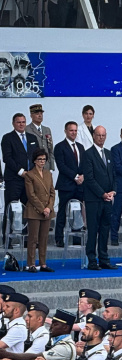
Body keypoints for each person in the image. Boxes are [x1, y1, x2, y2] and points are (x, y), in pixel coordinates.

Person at [82, 126, 117, 270]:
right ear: (93, 136)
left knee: (105, 230)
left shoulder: (108, 154)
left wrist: (113, 191)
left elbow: (113, 175)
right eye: (98, 135)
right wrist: (102, 193)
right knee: (93, 230)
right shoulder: (88, 154)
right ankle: (91, 260)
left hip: (108, 199)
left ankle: (104, 258)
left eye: (103, 135)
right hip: (94, 199)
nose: (101, 138)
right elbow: (89, 179)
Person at [1, 113, 37, 243]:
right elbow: (7, 158)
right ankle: (7, 240)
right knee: (10, 208)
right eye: (18, 122)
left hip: (29, 179)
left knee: (29, 209)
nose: (21, 124)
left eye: (23, 122)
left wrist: (34, 173)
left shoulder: (32, 137)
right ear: (13, 123)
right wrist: (21, 172)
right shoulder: (7, 138)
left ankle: (27, 239)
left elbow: (36, 157)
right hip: (14, 179)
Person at [54, 121, 86, 248]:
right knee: (62, 212)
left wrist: (82, 176)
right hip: (66, 185)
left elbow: (83, 164)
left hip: (79, 185)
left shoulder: (80, 147)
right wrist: (75, 177)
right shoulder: (59, 147)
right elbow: (61, 166)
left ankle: (77, 237)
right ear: (66, 131)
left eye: (75, 130)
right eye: (71, 130)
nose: (73, 133)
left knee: (77, 212)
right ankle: (59, 238)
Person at [23, 149, 55, 272]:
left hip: (47, 210)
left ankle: (43, 263)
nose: (42, 162)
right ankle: (31, 263)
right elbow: (31, 195)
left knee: (44, 238)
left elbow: (52, 193)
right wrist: (42, 209)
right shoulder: (30, 175)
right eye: (40, 159)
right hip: (35, 210)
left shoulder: (48, 174)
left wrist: (49, 207)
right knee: (33, 238)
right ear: (35, 161)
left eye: (44, 159)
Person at [25, 104, 54, 171]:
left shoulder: (47, 130)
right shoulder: (27, 129)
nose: (40, 115)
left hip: (46, 166)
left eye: (41, 113)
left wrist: (51, 167)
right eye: (37, 113)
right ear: (31, 115)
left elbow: (50, 148)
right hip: (34, 166)